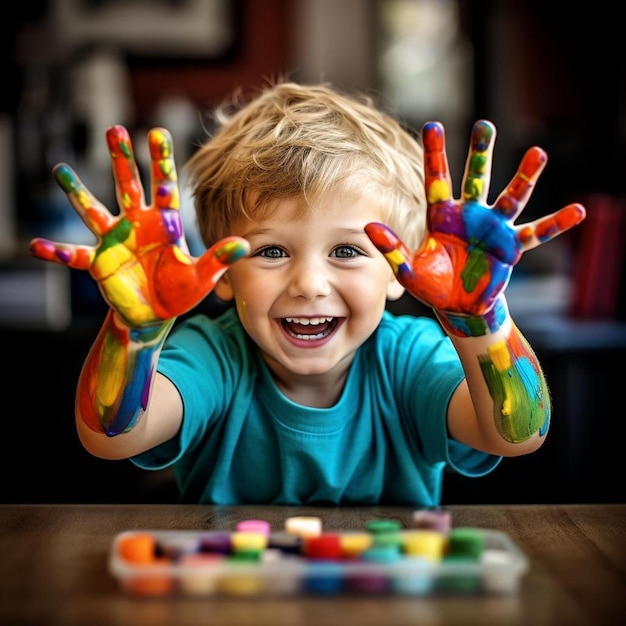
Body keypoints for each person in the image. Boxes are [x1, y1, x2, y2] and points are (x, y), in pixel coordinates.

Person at [29, 81, 586, 505]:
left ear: (401, 271)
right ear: (222, 272)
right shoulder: (214, 357)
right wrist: (134, 331)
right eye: (271, 251)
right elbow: (111, 436)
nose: (309, 284)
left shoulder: (410, 359)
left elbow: (519, 434)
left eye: (346, 251)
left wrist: (480, 320)